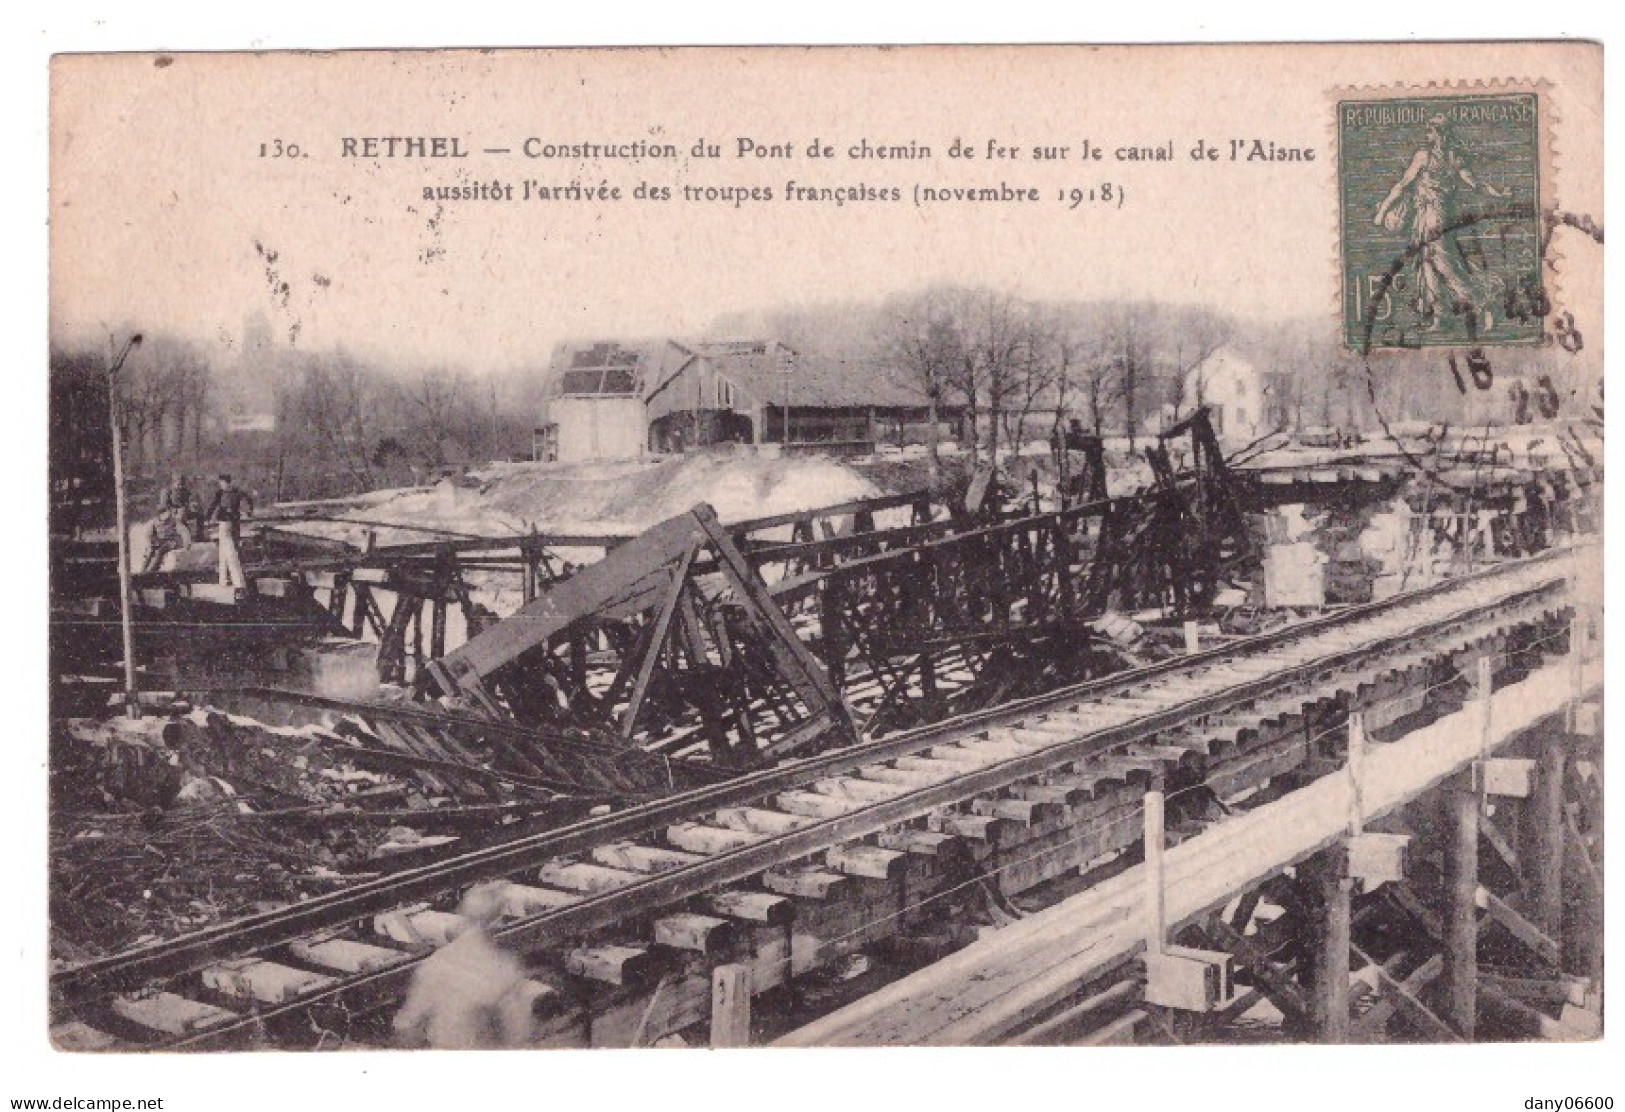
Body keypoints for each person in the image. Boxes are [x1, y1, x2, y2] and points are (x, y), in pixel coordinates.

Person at [1373, 114, 1508, 332]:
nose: (1428, 135)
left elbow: (1402, 185)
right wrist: (1498, 194)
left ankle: (1484, 303)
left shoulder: (1425, 157)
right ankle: (1440, 317)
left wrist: (1382, 211)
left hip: (1435, 217)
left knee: (1444, 265)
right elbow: (1476, 184)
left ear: (1439, 133)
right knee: (1427, 264)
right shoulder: (1453, 157)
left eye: (1431, 131)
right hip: (1430, 215)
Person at [393, 882, 536, 1049]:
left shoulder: (436, 963)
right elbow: (518, 1031)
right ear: (497, 921)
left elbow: (407, 1025)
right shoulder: (503, 967)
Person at [204, 474, 254, 588]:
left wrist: (249, 511)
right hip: (224, 522)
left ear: (227, 482)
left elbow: (248, 500)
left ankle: (228, 579)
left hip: (234, 522)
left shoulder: (236, 492)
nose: (221, 485)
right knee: (226, 550)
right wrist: (207, 517)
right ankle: (224, 579)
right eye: (220, 483)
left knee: (231, 549)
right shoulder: (220, 493)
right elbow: (213, 505)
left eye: (222, 483)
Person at [141, 507, 193, 573]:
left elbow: (184, 531)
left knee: (160, 551)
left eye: (167, 512)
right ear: (160, 514)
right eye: (163, 513)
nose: (166, 515)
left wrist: (187, 543)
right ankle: (143, 571)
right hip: (159, 541)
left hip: (172, 541)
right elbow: (148, 534)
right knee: (149, 551)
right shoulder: (154, 522)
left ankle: (151, 571)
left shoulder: (174, 521)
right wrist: (151, 543)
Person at [157, 472, 203, 539]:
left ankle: (200, 534)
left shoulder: (184, 490)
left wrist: (194, 504)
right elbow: (163, 506)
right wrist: (174, 510)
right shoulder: (166, 491)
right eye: (178, 484)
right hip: (170, 514)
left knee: (200, 512)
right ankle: (178, 534)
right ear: (173, 483)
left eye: (182, 484)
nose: (180, 486)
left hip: (183, 512)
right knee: (180, 514)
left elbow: (190, 499)